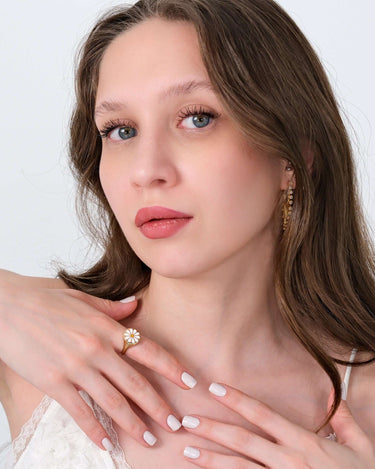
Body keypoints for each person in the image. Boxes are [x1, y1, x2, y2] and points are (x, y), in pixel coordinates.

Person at [1, 0, 375, 466]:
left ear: (294, 158)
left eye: (197, 118)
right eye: (120, 130)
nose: (146, 170)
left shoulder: (367, 403)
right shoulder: (38, 350)